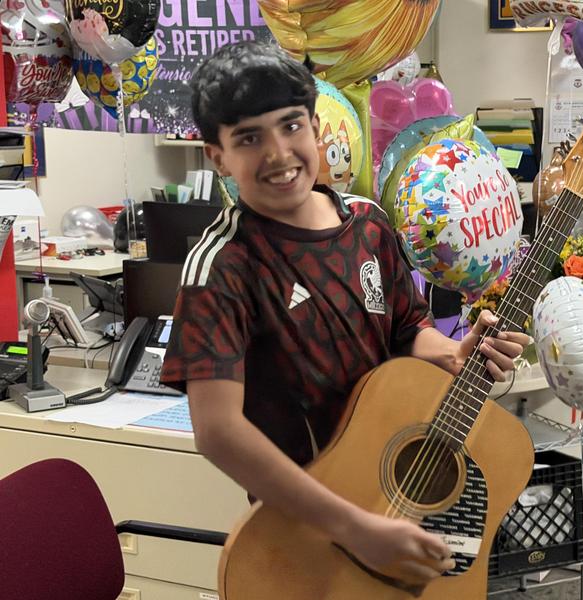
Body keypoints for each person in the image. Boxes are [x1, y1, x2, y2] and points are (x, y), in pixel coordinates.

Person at [160, 40, 531, 588]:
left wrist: (453, 353)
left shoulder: (367, 224)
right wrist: (355, 528)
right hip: (306, 537)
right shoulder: (223, 265)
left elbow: (408, 330)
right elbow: (217, 431)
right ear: (217, 156)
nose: (279, 153)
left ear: (315, 126)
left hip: (393, 503)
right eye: (248, 138)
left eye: (290, 126)